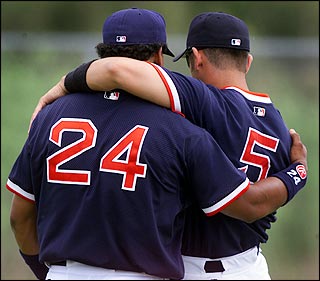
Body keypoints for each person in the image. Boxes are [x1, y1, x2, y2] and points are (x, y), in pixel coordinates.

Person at [26, 10, 308, 280]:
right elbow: (256, 201)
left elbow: (115, 69)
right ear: (248, 62)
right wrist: (298, 173)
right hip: (252, 267)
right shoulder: (277, 124)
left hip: (193, 269)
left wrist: (60, 89)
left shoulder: (204, 101)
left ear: (196, 59)